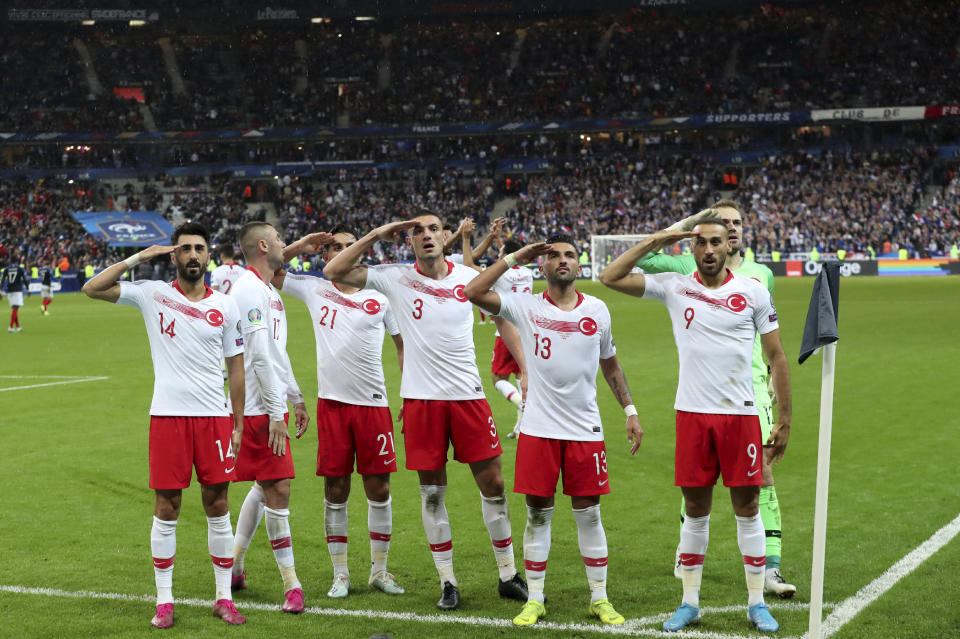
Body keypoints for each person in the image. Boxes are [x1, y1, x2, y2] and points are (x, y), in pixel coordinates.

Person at [324, 215, 527, 611]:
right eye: (417, 231)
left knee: (494, 483)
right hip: (421, 402)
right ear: (410, 241)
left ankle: (507, 574)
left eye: (433, 229)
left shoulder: (468, 276)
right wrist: (378, 232)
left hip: (468, 397)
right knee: (432, 493)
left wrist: (527, 374)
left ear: (444, 236)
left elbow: (504, 321)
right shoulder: (394, 277)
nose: (426, 235)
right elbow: (334, 269)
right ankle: (448, 581)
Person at [599, 215, 792, 633]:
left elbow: (777, 357)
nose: (708, 249)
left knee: (748, 508)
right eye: (701, 243)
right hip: (692, 414)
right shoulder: (675, 286)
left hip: (741, 415)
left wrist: (785, 419)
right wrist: (658, 239)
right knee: (695, 510)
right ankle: (689, 603)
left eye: (716, 242)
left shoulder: (753, 291)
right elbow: (609, 276)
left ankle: (757, 602)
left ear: (728, 247)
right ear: (691, 248)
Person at [465, 234, 642, 627]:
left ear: (579, 265)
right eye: (554, 255)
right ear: (542, 266)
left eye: (570, 255)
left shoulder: (597, 310)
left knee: (589, 517)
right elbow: (472, 290)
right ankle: (536, 599)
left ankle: (600, 598)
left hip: (585, 430)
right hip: (538, 429)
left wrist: (629, 409)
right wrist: (514, 257)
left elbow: (610, 365)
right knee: (538, 517)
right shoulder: (524, 306)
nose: (563, 260)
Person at [81, 222, 248, 628]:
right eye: (185, 248)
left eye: (200, 248)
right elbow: (92, 288)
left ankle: (224, 598)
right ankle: (164, 600)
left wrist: (238, 423)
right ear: (173, 256)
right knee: (166, 507)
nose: (193, 255)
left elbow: (237, 369)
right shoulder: (152, 294)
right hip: (168, 417)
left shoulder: (226, 306)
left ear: (209, 256)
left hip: (213, 419)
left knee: (218, 505)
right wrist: (138, 257)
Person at [276, 225, 406, 599]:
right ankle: (341, 573)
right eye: (336, 247)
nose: (344, 252)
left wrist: (409, 393)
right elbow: (267, 271)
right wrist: (300, 244)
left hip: (374, 406)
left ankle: (380, 571)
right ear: (325, 254)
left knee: (379, 488)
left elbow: (402, 346)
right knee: (336, 489)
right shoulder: (314, 288)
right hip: (332, 407)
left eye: (351, 247)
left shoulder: (380, 297)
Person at [227, 222, 310, 613]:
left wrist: (296, 397)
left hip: (269, 403)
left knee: (266, 486)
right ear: (263, 245)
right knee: (278, 490)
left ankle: (236, 566)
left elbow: (277, 352)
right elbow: (258, 355)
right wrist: (278, 412)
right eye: (278, 238)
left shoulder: (267, 291)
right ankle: (291, 586)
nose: (283, 244)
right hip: (259, 409)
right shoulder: (247, 290)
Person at [461, 226, 530, 439]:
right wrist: (499, 240)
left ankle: (522, 404)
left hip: (506, 332)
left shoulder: (501, 275)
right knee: (522, 375)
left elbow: (467, 265)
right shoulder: (527, 273)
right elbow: (510, 256)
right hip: (527, 332)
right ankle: (522, 427)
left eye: (500, 254)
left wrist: (466, 238)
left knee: (498, 379)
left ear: (505, 257)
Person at [1, 256, 28, 332]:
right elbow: (25, 279)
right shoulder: (20, 268)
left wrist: (0, 290)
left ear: (10, 260)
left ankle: (18, 327)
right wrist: (28, 289)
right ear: (17, 261)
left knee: (14, 308)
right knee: (15, 308)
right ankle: (10, 327)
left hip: (9, 290)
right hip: (17, 290)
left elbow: (3, 280)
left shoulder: (6, 269)